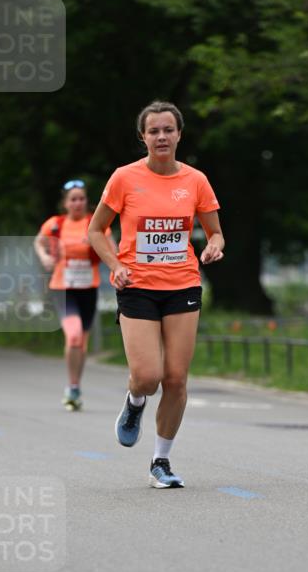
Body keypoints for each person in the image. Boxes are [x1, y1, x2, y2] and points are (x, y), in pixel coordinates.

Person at [88, 100, 224, 488]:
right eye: (154, 131)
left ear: (179, 134)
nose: (161, 137)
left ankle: (160, 462)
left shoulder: (195, 180)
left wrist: (214, 245)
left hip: (182, 282)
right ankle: (134, 402)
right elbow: (97, 230)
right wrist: (115, 265)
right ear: (143, 137)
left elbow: (215, 230)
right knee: (148, 378)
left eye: (168, 130)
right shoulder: (124, 178)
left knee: (177, 379)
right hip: (137, 286)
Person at [34, 181, 115, 410]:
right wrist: (44, 257)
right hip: (63, 288)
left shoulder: (95, 224)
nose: (77, 203)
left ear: (86, 202)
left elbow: (113, 250)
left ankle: (75, 386)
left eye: (81, 199)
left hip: (88, 288)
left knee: (82, 342)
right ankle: (71, 386)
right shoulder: (55, 224)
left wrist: (102, 250)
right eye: (73, 199)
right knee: (74, 336)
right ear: (65, 203)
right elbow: (38, 242)